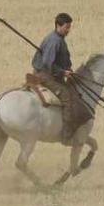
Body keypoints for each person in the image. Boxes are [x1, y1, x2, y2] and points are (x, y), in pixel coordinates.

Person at [32, 13, 76, 141]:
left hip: (51, 73)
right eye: (67, 27)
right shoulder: (54, 41)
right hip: (46, 75)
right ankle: (67, 134)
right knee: (67, 97)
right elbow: (47, 63)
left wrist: (67, 70)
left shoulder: (58, 38)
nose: (68, 30)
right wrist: (63, 73)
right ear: (58, 25)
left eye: (69, 27)